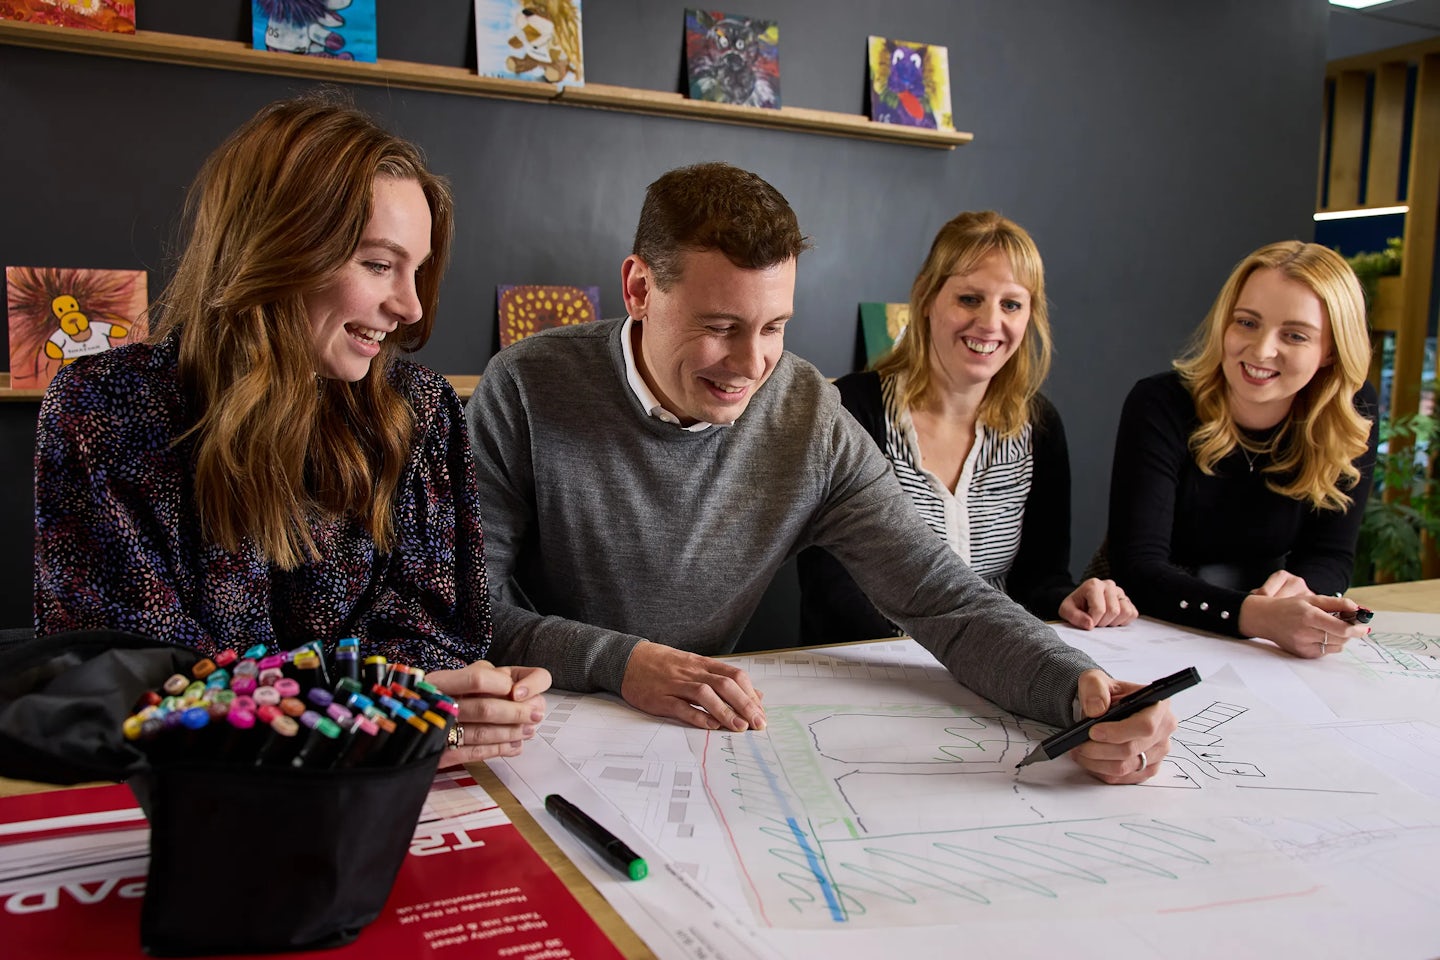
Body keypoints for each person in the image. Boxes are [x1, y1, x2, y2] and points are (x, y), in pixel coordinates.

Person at [468, 162, 1175, 785]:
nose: (751, 367)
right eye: (720, 326)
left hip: (699, 738)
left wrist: (1081, 689)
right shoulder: (526, 387)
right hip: (534, 725)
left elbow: (942, 596)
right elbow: (467, 606)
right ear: (639, 288)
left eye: (774, 327)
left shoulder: (809, 415)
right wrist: (623, 663)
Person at [33, 95, 549, 765]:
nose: (411, 306)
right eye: (377, 264)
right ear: (277, 247)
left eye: (417, 269)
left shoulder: (419, 410)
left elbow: (437, 631)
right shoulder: (102, 411)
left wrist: (452, 699)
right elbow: (126, 685)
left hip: (382, 801)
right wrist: (368, 719)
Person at [797, 211, 1135, 644]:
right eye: (970, 299)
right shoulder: (851, 409)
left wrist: (1071, 599)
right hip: (873, 673)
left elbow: (1040, 580)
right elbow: (831, 590)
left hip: (995, 671)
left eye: (1011, 304)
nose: (990, 323)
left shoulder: (1040, 425)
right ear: (927, 299)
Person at [1101, 241, 1378, 658]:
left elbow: (1331, 553)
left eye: (1295, 335)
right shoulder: (1160, 403)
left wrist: (1307, 593)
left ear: (1331, 352)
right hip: (1143, 621)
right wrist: (1260, 617)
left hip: (1264, 633)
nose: (1262, 349)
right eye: (1247, 323)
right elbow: (1138, 570)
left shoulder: (1352, 409)